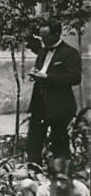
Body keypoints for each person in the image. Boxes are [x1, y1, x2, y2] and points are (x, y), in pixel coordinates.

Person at [26, 19, 82, 166]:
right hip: (39, 103)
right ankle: (33, 171)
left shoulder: (70, 53)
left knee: (59, 143)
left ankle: (60, 177)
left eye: (46, 36)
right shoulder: (43, 51)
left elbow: (75, 78)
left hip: (59, 105)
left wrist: (48, 78)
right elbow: (41, 69)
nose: (43, 40)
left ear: (57, 34)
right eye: (41, 37)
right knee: (34, 141)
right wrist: (35, 74)